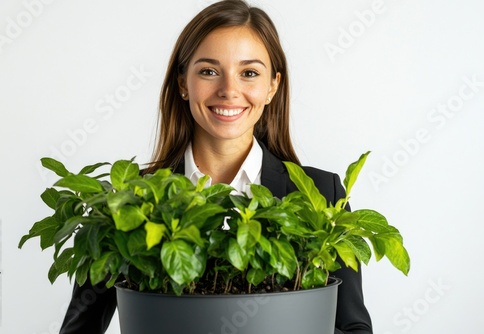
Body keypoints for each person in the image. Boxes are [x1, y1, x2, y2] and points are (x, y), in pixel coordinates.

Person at [60, 1, 373, 333]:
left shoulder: (320, 195)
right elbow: (80, 328)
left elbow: (352, 328)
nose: (229, 90)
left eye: (249, 73)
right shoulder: (129, 203)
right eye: (208, 71)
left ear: (272, 86)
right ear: (183, 82)